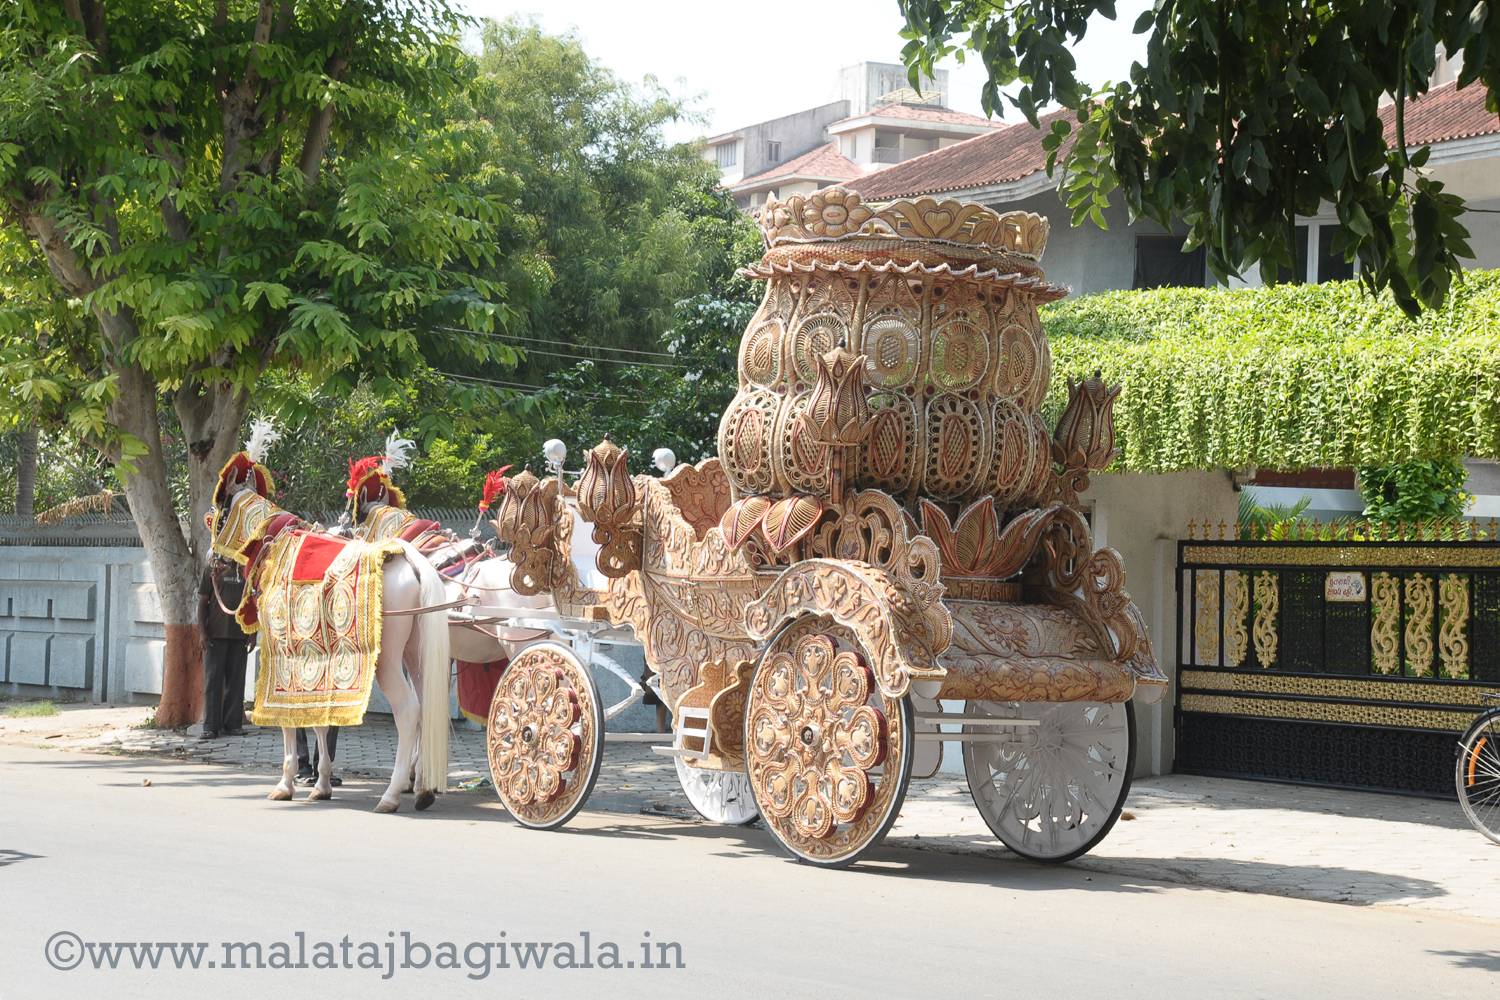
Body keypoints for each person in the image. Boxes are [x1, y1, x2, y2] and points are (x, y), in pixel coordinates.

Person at [197, 557, 251, 740]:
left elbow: (253, 601)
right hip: (215, 635)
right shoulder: (212, 569)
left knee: (236, 682)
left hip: (240, 635)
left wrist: (252, 632)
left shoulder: (246, 569)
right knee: (213, 681)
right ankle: (211, 726)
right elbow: (203, 601)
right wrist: (202, 632)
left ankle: (232, 724)